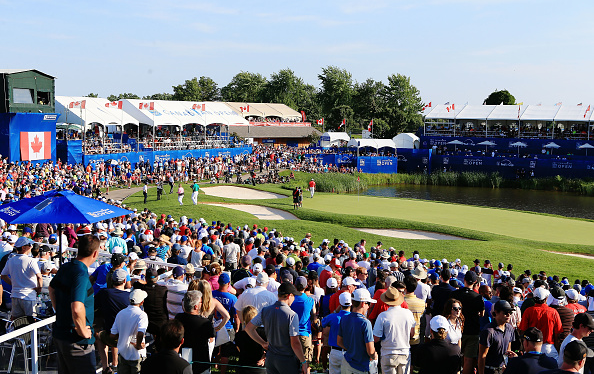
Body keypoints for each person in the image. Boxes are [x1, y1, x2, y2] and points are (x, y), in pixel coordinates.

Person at [49, 235, 100, 374]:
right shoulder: (81, 275)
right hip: (77, 341)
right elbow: (77, 308)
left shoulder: (66, 267)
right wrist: (82, 330)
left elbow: (51, 288)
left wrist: (59, 310)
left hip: (61, 334)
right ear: (95, 253)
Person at [245, 282, 309, 374]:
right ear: (289, 296)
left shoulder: (265, 310)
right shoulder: (291, 315)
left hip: (271, 358)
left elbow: (249, 328)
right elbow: (295, 343)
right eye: (293, 296)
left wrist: (263, 343)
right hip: (287, 360)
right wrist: (303, 362)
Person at [373, 284, 415, 374]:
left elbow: (376, 338)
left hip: (388, 353)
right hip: (404, 352)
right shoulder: (408, 313)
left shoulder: (383, 316)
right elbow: (412, 334)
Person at [450, 271, 484, 374]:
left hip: (456, 328)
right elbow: (482, 314)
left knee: (455, 355)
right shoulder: (478, 297)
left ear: (463, 280)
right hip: (472, 329)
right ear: (474, 282)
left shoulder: (455, 294)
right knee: (468, 358)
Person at [337, 288, 377, 374]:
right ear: (363, 304)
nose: (369, 306)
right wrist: (375, 356)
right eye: (368, 303)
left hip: (346, 362)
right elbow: (370, 351)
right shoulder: (365, 323)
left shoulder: (344, 318)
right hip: (360, 367)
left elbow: (339, 342)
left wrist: (352, 350)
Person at [175, 290, 216, 374]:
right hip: (200, 361)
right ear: (196, 306)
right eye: (201, 302)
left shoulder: (178, 318)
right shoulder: (205, 322)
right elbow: (212, 334)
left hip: (183, 359)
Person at [0, 236, 41, 319]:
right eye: (30, 245)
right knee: (31, 322)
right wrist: (39, 289)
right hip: (28, 296)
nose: (31, 247)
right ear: (24, 247)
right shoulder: (31, 261)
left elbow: (3, 275)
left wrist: (13, 283)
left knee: (17, 321)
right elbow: (39, 277)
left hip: (15, 295)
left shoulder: (10, 260)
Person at [109, 289, 149, 374]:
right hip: (136, 355)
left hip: (123, 353)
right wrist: (138, 345)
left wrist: (124, 336)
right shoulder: (142, 315)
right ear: (142, 302)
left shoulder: (120, 313)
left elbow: (112, 335)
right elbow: (140, 333)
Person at [518, 287, 562, 360]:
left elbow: (523, 331)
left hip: (531, 346)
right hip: (548, 347)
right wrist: (557, 349)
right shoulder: (553, 312)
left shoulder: (528, 311)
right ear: (546, 299)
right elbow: (558, 334)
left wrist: (524, 347)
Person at [478, 300, 517, 374]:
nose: (508, 315)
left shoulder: (510, 329)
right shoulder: (488, 331)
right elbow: (482, 356)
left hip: (503, 370)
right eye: (505, 313)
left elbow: (508, 350)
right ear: (496, 313)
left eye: (510, 312)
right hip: (490, 370)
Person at [132, 268, 168, 341]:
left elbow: (135, 282)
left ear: (145, 278)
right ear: (157, 278)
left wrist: (145, 282)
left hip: (148, 323)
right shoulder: (163, 290)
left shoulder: (142, 288)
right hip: (162, 323)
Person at [322, 292, 352, 374]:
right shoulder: (354, 318)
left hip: (335, 351)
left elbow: (323, 322)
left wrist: (336, 311)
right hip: (349, 352)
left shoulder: (333, 317)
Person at [291, 276, 317, 364]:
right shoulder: (310, 300)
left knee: (292, 362)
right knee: (306, 363)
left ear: (295, 285)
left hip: (291, 333)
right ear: (306, 286)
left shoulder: (290, 300)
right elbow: (314, 315)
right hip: (305, 334)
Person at [234, 306, 266, 374]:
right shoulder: (264, 333)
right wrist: (264, 358)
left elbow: (239, 349)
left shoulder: (239, 335)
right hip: (259, 367)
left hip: (242, 367)